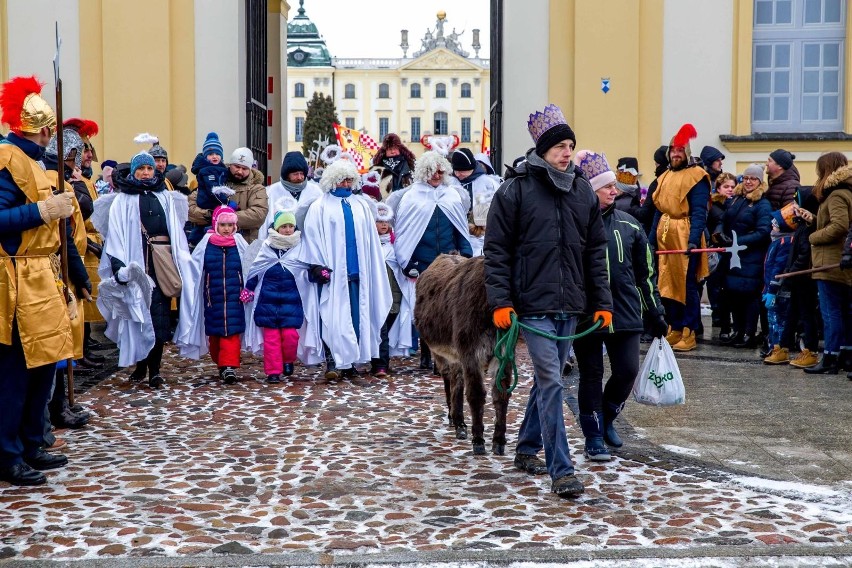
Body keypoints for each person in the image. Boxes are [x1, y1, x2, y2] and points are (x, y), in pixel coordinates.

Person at [484, 104, 612, 498]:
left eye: (570, 145)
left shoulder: (582, 193)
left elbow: (595, 252)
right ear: (542, 150)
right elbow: (497, 250)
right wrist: (500, 301)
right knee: (552, 381)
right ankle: (562, 470)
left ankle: (525, 449)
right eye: (559, 145)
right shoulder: (515, 190)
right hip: (531, 305)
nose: (566, 152)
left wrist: (602, 302)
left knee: (548, 382)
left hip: (570, 305)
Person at [0, 75, 74, 485]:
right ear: (43, 130)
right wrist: (43, 212)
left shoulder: (36, 161)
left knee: (43, 365)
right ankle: (8, 453)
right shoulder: (7, 159)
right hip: (14, 277)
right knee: (15, 371)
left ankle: (31, 442)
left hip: (41, 273)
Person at [572, 151, 666, 461]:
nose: (616, 190)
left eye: (615, 185)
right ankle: (593, 435)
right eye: (607, 186)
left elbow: (646, 274)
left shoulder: (630, 226)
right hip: (587, 313)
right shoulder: (576, 225)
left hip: (625, 310)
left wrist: (655, 312)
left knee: (627, 371)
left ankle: (608, 417)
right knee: (590, 374)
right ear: (590, 188)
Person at [96, 151, 191, 389]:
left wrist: (180, 259)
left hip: (159, 263)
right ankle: (140, 363)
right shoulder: (123, 200)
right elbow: (115, 236)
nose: (146, 173)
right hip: (136, 263)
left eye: (150, 168)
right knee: (137, 315)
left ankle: (155, 370)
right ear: (134, 172)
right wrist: (119, 267)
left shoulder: (166, 197)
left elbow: (176, 234)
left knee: (158, 315)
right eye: (142, 169)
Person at [296, 159, 392, 379]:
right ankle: (333, 363)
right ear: (333, 180)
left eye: (350, 179)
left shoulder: (361, 205)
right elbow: (312, 237)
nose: (347, 183)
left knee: (357, 319)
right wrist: (318, 265)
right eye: (342, 179)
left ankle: (350, 363)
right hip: (334, 273)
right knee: (333, 317)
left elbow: (370, 241)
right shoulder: (320, 206)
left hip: (359, 272)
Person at [394, 151, 473, 370]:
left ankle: (445, 355)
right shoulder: (411, 197)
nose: (437, 176)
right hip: (423, 262)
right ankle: (426, 353)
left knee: (448, 310)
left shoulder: (452, 195)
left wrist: (466, 254)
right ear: (423, 172)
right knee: (425, 310)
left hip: (450, 263)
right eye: (432, 172)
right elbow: (406, 232)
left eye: (440, 171)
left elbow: (460, 229)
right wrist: (408, 261)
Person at [648, 124, 710, 352]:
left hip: (685, 234)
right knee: (666, 283)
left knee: (687, 285)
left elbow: (698, 212)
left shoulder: (697, 177)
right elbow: (658, 209)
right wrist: (651, 239)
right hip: (665, 233)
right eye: (673, 150)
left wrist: (694, 239)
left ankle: (689, 330)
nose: (676, 154)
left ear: (687, 153)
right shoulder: (664, 177)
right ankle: (674, 326)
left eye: (680, 151)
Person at [179, 206, 249, 384]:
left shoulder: (240, 244)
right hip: (213, 297)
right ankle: (221, 362)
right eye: (223, 224)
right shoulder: (206, 244)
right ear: (216, 224)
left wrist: (248, 288)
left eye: (230, 225)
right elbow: (195, 269)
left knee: (231, 333)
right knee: (216, 335)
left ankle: (229, 367)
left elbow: (250, 267)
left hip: (235, 297)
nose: (227, 229)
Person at [803, 152, 852, 375]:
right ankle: (845, 355)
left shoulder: (835, 195)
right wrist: (813, 220)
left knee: (831, 312)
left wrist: (813, 236)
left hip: (830, 261)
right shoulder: (846, 192)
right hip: (840, 261)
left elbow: (840, 225)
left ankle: (830, 358)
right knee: (843, 311)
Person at [243, 210, 305, 384]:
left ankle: (288, 360)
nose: (287, 230)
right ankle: (273, 371)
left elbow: (306, 268)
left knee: (291, 337)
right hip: (267, 302)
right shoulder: (267, 247)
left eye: (290, 226)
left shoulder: (300, 247)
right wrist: (249, 288)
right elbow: (257, 268)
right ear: (277, 228)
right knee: (271, 340)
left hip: (291, 303)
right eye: (283, 226)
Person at [717, 165, 772, 348]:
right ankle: (738, 331)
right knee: (733, 295)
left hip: (750, 256)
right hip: (733, 256)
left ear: (759, 182)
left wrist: (736, 241)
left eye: (753, 179)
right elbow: (723, 219)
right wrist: (719, 233)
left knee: (749, 296)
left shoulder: (762, 203)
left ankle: (749, 333)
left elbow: (763, 232)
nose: (748, 182)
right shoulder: (737, 199)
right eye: (746, 178)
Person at [766, 189, 820, 368]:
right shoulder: (801, 226)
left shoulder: (808, 228)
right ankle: (783, 347)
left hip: (804, 278)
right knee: (792, 313)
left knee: (806, 314)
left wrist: (791, 271)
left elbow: (804, 255)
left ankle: (811, 350)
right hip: (796, 278)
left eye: (797, 204)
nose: (794, 208)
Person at [188, 147, 268, 242]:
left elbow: (258, 215)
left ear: (250, 169)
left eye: (244, 168)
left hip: (243, 245)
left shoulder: (256, 188)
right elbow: (191, 209)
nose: (240, 171)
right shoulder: (216, 180)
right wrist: (212, 215)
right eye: (237, 167)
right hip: (211, 244)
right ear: (230, 165)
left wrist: (226, 217)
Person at [370, 202, 408, 377]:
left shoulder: (396, 245)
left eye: (386, 221)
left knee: (389, 327)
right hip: (376, 293)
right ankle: (380, 365)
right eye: (379, 221)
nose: (383, 225)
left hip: (394, 293)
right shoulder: (369, 245)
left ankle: (380, 360)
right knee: (380, 328)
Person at [451, 148, 499, 257]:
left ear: (472, 168)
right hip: (456, 240)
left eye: (462, 171)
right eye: (456, 170)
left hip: (481, 240)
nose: (458, 174)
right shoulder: (450, 184)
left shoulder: (487, 184)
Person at [707, 172, 737, 340]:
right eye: (726, 186)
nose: (730, 190)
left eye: (732, 187)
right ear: (718, 188)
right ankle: (718, 316)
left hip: (728, 250)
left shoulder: (733, 204)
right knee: (716, 286)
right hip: (716, 252)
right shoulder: (715, 206)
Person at [265, 151, 322, 230]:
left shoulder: (315, 191)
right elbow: (267, 220)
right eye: (295, 174)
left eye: (301, 173)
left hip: (309, 240)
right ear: (287, 175)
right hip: (282, 240)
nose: (299, 177)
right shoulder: (273, 191)